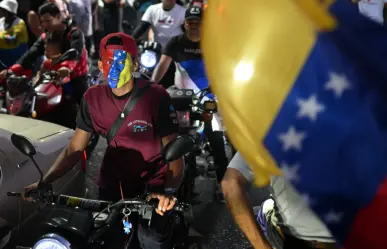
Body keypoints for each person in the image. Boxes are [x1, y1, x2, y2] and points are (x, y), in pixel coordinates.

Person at [23, 32, 184, 249]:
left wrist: (168, 193)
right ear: (99, 65)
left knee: (152, 241)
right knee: (105, 239)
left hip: (153, 185)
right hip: (112, 183)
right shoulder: (92, 98)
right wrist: (45, 182)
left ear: (135, 64)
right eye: (109, 61)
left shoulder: (156, 97)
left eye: (121, 61)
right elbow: (75, 148)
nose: (114, 67)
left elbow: (174, 151)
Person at [152, 6, 229, 184]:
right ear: (184, 24)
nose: (194, 26)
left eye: (198, 22)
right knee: (176, 139)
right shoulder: (175, 43)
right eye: (190, 22)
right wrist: (152, 86)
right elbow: (162, 66)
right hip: (182, 100)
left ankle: (222, 184)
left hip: (210, 98)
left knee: (216, 140)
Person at [222, 152, 339, 249]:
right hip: (346, 234)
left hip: (295, 238)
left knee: (266, 208)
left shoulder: (265, 129)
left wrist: (262, 246)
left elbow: (230, 183)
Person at [0, 2, 88, 107]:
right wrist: (12, 70)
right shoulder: (45, 36)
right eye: (42, 22)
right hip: (52, 77)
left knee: (81, 104)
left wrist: (66, 67)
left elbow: (75, 52)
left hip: (76, 75)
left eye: (48, 21)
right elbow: (31, 54)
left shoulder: (75, 33)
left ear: (58, 17)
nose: (45, 25)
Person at [133, 0, 186, 89]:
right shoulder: (152, 9)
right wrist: (131, 39)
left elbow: (186, 31)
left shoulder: (182, 12)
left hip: (175, 52)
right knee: (143, 70)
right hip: (156, 51)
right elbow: (142, 27)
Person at [0, 0, 28, 68]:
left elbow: (11, 39)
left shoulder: (20, 23)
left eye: (2, 9)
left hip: (16, 59)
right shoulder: (1, 21)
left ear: (8, 11)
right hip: (2, 58)